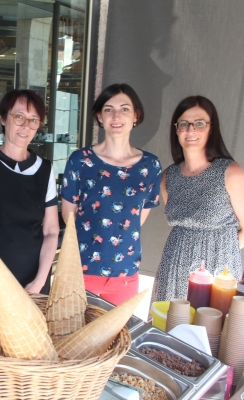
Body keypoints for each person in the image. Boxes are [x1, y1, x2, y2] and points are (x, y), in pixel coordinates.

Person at [151, 95, 244, 303]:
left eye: (199, 123)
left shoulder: (231, 172)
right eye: (184, 123)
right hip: (173, 266)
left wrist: (219, 254)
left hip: (215, 272)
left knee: (209, 331)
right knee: (169, 328)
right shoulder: (168, 176)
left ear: (212, 128)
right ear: (176, 129)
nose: (190, 129)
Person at [61, 83, 162, 305]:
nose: (116, 115)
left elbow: (136, 220)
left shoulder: (150, 166)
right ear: (99, 116)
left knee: (119, 338)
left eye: (125, 109)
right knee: (74, 337)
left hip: (125, 275)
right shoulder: (80, 161)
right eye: (108, 109)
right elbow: (69, 217)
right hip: (80, 272)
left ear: (136, 115)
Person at [0, 89, 59, 295]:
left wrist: (39, 282)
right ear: (3, 118)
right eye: (18, 117)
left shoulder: (45, 169)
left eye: (33, 120)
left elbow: (51, 231)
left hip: (35, 283)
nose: (25, 126)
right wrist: (1, 280)